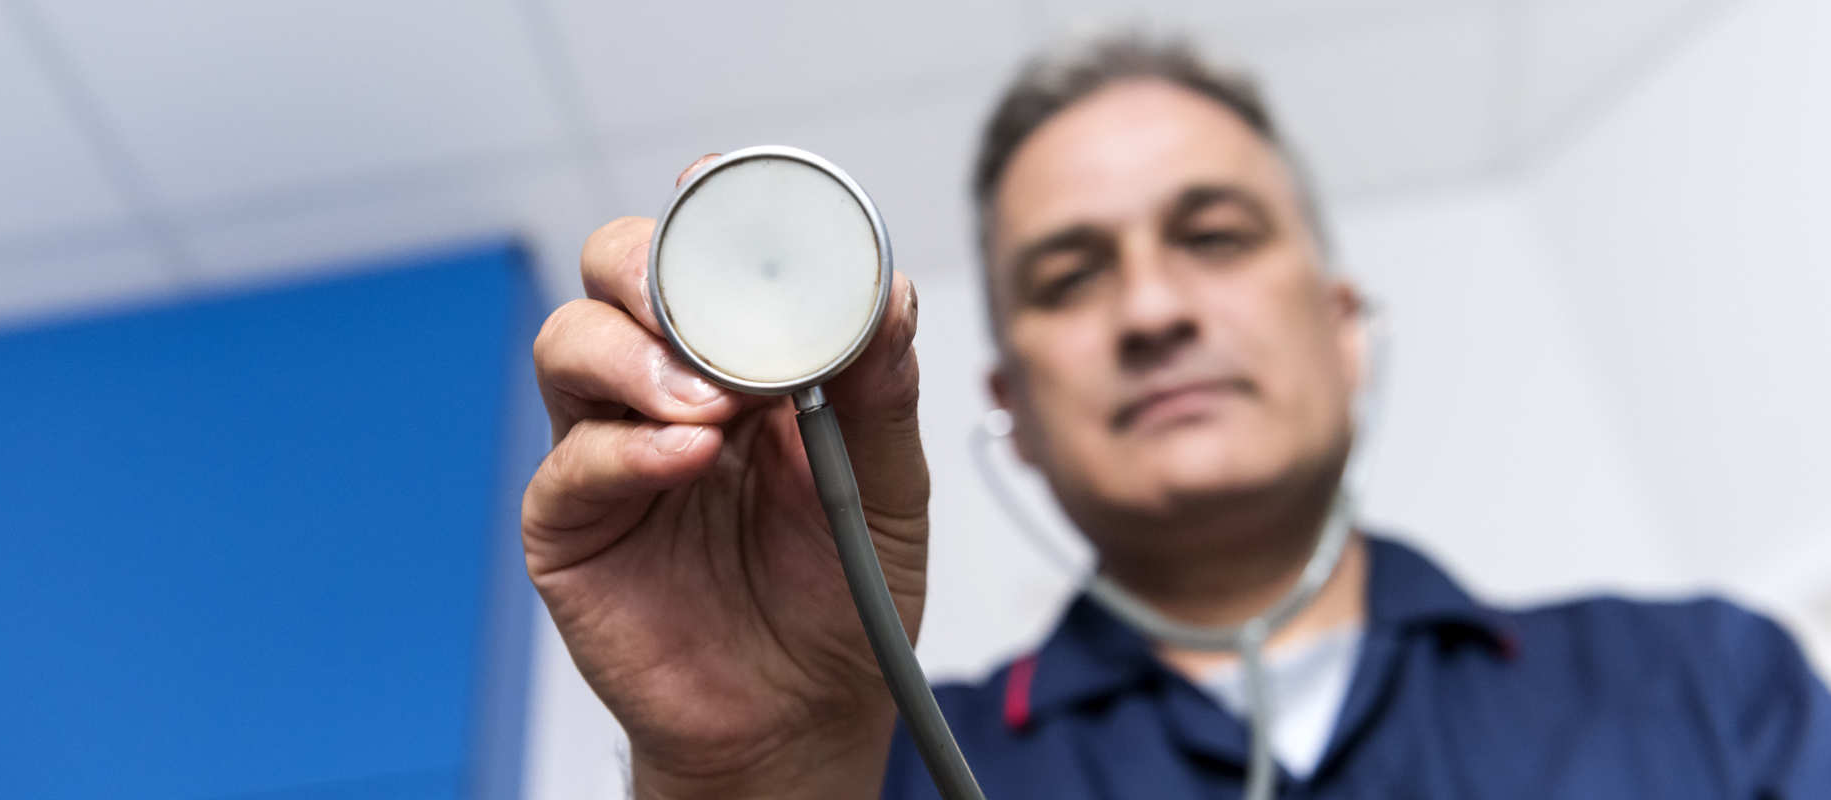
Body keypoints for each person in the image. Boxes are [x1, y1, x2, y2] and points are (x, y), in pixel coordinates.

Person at [521, 32, 1831, 799]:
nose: (1150, 309)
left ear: (1340, 324)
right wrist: (758, 774)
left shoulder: (1704, 683)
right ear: (1010, 409)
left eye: (1212, 235)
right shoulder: (880, 767)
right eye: (1069, 275)